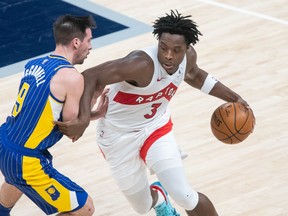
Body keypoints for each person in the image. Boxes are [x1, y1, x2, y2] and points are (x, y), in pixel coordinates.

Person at [56, 10, 254, 216]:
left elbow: (195, 75)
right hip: (117, 137)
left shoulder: (188, 59)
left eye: (176, 50)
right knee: (142, 207)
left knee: (184, 195)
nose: (168, 55)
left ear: (186, 49)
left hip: (155, 128)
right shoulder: (140, 64)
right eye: (163, 47)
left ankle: (170, 189)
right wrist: (84, 119)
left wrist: (234, 98)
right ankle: (159, 196)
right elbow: (91, 76)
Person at [0, 15, 108, 216]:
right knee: (85, 208)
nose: (90, 46)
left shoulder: (34, 63)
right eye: (89, 40)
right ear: (76, 42)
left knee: (16, 179)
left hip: (5, 140)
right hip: (24, 158)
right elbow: (71, 129)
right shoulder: (71, 77)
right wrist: (94, 104)